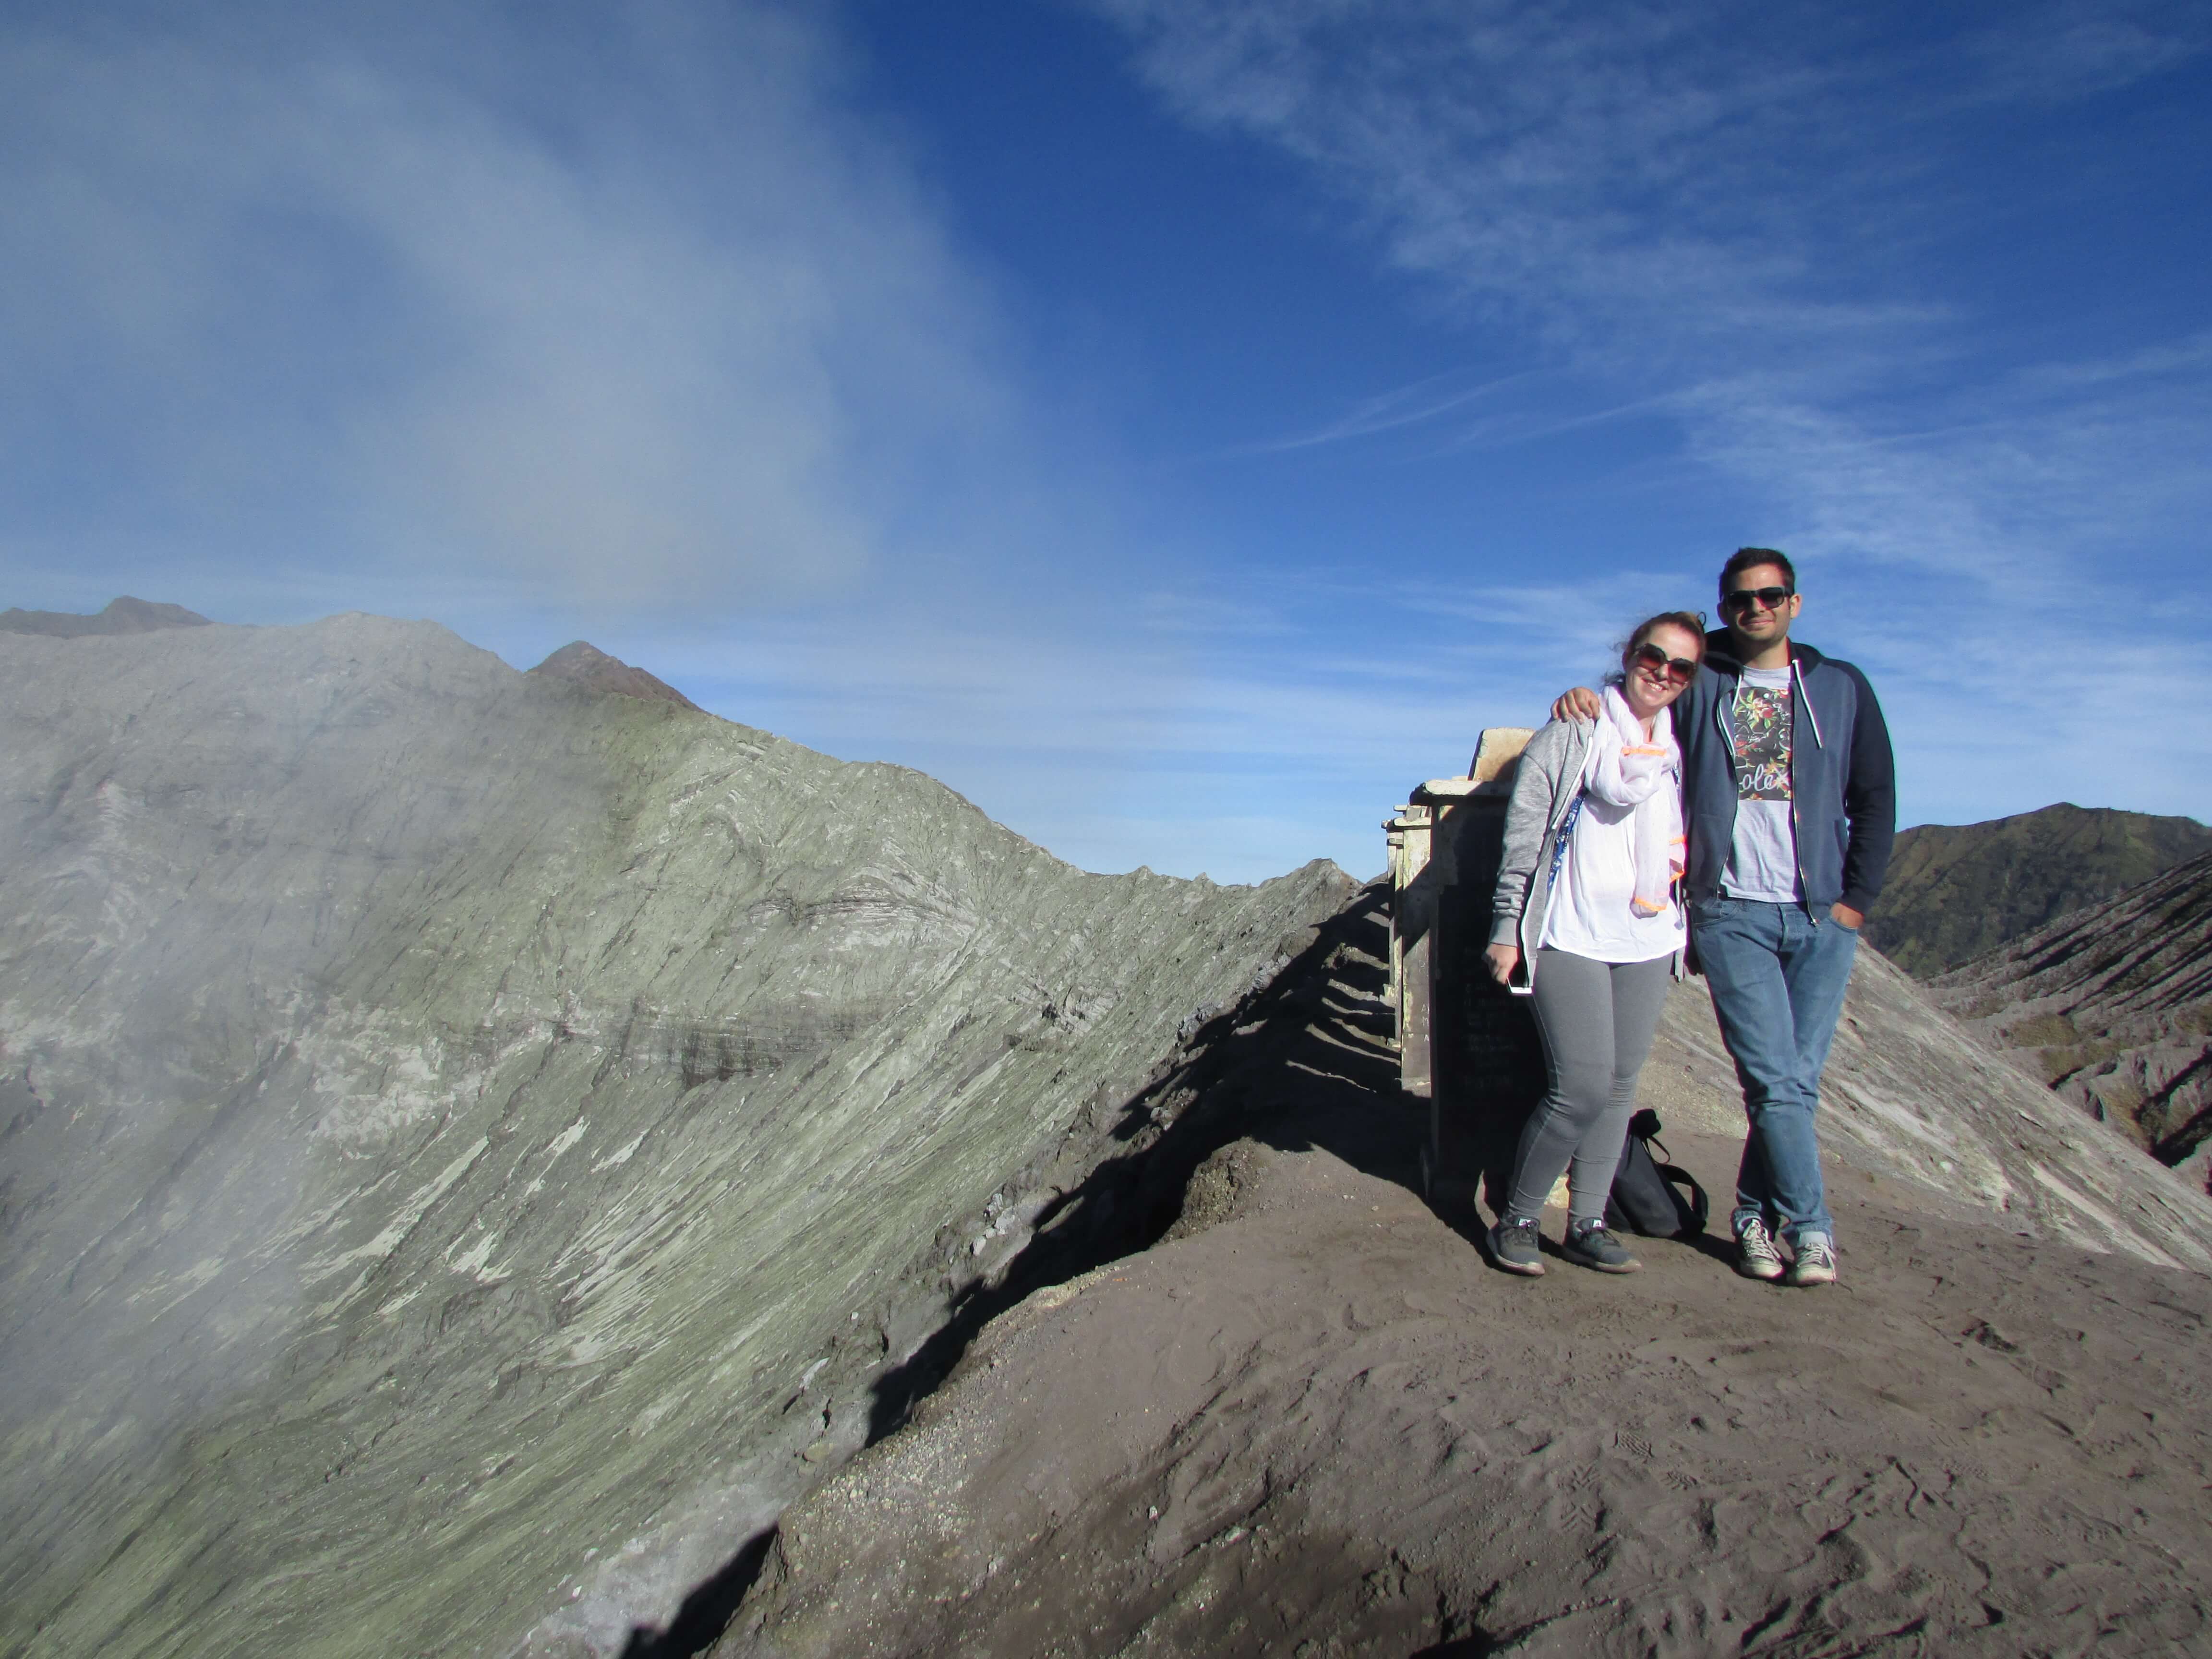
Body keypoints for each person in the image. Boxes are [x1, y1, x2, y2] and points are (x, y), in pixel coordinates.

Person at [1552, 548, 1894, 1287]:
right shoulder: (1703, 679)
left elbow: (1874, 795)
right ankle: (1810, 1230)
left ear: (1794, 603)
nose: (1756, 608)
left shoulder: (1840, 687)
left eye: (1771, 595)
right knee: (1773, 1080)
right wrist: (1586, 697)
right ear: (1725, 607)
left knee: (1794, 1087)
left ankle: (1752, 1219)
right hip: (1731, 909)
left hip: (1821, 915)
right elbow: (1641, 697)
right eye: (1741, 599)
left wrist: (1854, 902)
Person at [1480, 611, 1707, 1277]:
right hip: (1568, 930)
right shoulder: (1575, 731)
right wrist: (1507, 927)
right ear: (1629, 654)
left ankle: (1588, 1224)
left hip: (1647, 934)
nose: (1663, 673)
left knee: (1618, 1087)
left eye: (1681, 667)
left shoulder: (1674, 751)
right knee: (1579, 1086)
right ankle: (1518, 1219)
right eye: (1653, 656)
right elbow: (1525, 834)